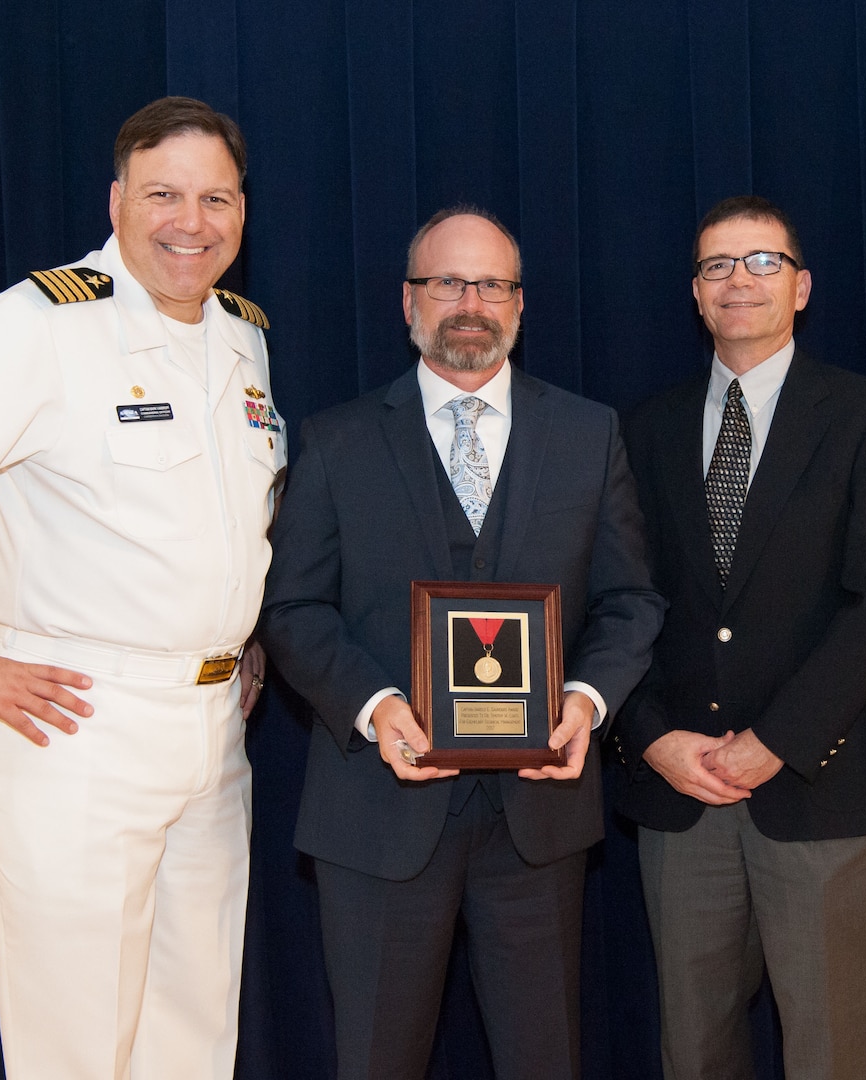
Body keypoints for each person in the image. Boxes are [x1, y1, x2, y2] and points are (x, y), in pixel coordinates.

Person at [0, 97, 281, 1080]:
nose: (190, 222)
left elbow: (228, 513)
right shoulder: (37, 325)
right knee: (75, 1042)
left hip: (211, 733)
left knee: (193, 1029)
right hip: (77, 726)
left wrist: (236, 634)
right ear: (118, 200)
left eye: (216, 199)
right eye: (164, 194)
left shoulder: (241, 336)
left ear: (242, 213)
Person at [257, 206, 664, 1080]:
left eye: (491, 284)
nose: (469, 302)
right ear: (409, 302)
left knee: (542, 1060)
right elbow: (292, 609)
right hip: (376, 813)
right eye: (447, 281)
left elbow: (630, 600)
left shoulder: (589, 436)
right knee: (375, 1061)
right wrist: (373, 708)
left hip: (537, 820)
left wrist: (584, 703)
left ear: (520, 306)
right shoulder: (335, 440)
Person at [614, 195, 866, 1080]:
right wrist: (652, 738)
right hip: (681, 797)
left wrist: (775, 742)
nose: (738, 281)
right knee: (695, 1051)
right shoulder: (643, 429)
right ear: (696, 296)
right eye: (717, 266)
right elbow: (618, 603)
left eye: (762, 262)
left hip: (822, 792)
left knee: (834, 1053)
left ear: (802, 287)